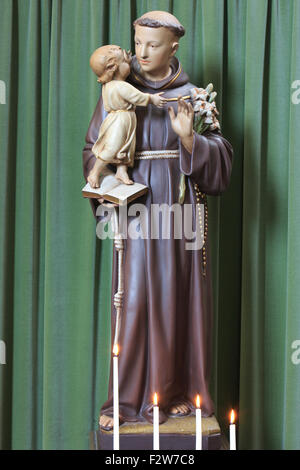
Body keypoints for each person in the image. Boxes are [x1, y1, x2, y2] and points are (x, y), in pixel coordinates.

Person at [83, 10, 233, 431]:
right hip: (136, 212)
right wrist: (108, 187)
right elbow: (93, 148)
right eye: (138, 42)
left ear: (173, 47)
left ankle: (177, 394)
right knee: (131, 302)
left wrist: (190, 138)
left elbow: (221, 160)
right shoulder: (117, 90)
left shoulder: (194, 95)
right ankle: (127, 400)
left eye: (153, 44)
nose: (142, 52)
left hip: (180, 216)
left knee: (177, 300)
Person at [88, 45, 167, 187]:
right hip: (120, 121)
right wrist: (152, 99)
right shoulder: (120, 86)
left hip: (125, 119)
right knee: (113, 147)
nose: (129, 64)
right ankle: (94, 172)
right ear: (114, 67)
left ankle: (121, 172)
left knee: (125, 147)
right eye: (125, 61)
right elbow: (137, 97)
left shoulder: (109, 85)